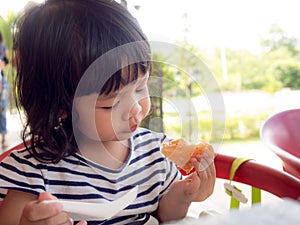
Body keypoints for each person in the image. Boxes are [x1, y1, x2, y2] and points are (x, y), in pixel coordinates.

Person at [0, 0, 216, 224]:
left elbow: (165, 217)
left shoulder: (155, 154)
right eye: (111, 104)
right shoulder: (33, 172)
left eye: (141, 87)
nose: (135, 108)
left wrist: (182, 197)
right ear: (62, 107)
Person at [0, 32, 9, 149]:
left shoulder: (1, 46)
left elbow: (6, 60)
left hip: (1, 81)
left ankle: (4, 138)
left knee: (2, 111)